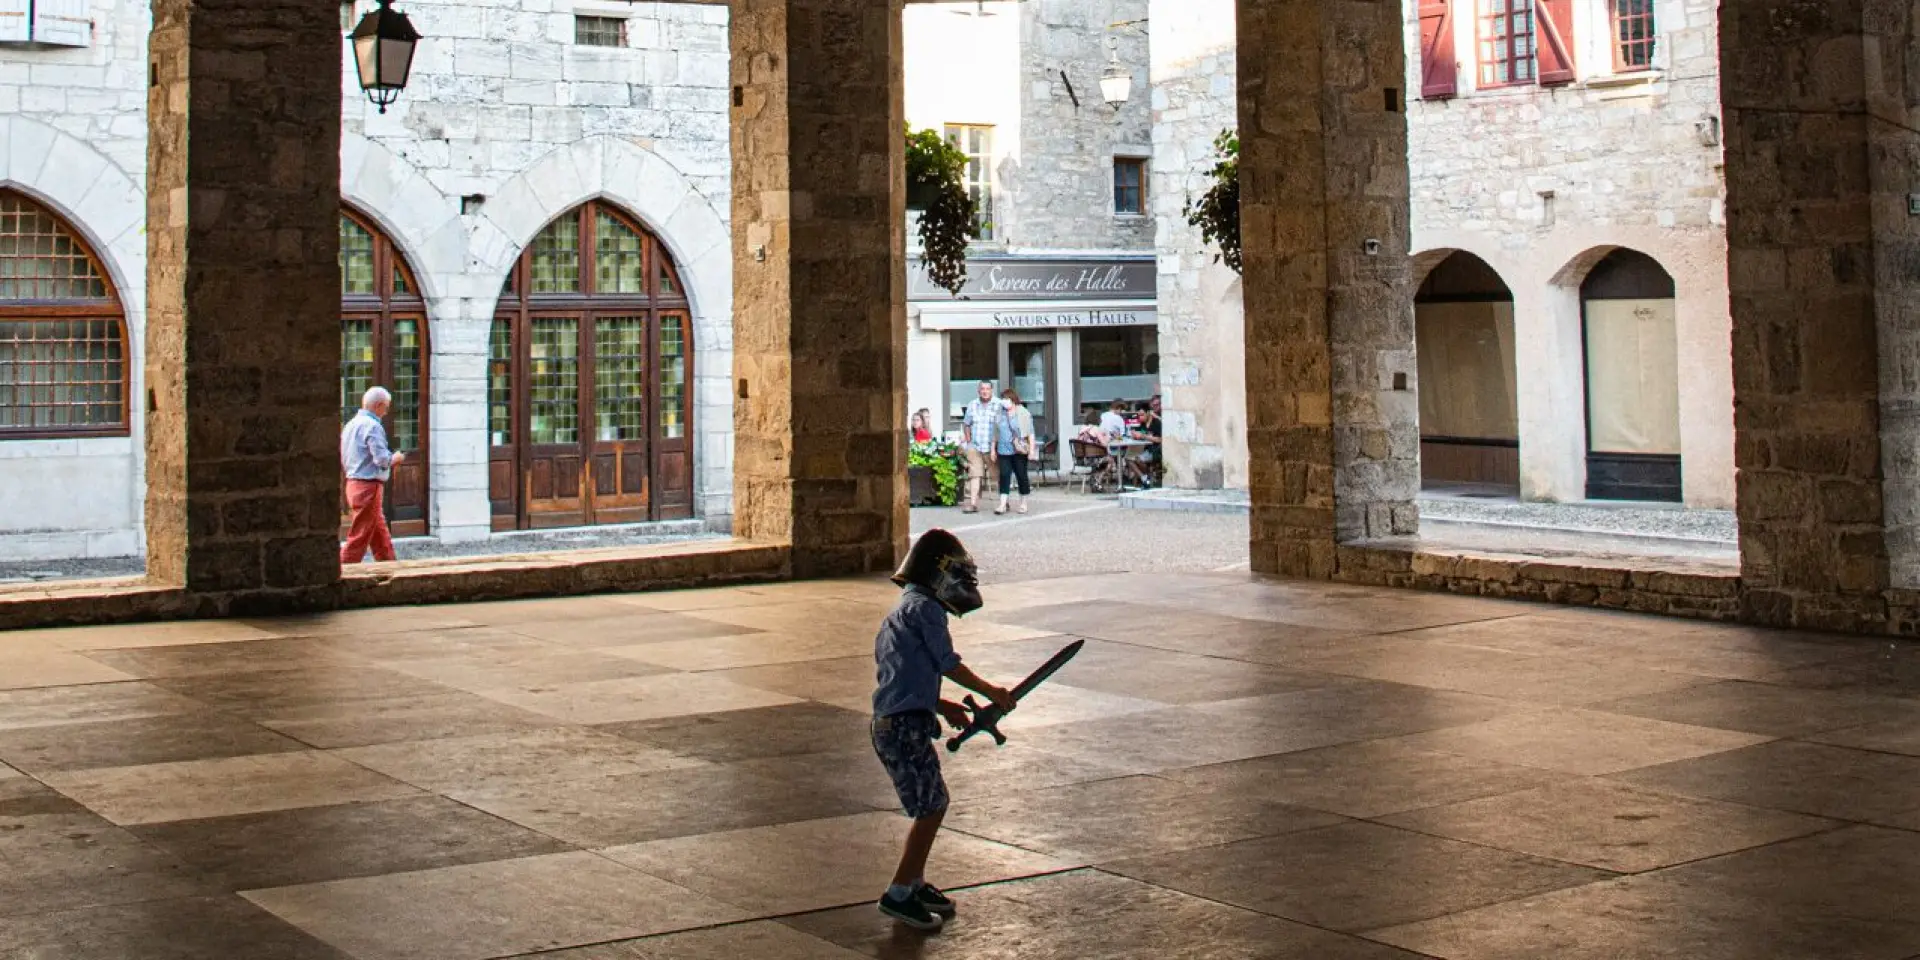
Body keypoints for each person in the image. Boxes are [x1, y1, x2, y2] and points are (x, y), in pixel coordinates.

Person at [871, 528, 1016, 931]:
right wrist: (992, 691)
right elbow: (946, 662)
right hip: (903, 728)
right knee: (931, 807)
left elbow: (905, 674)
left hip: (894, 722)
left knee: (932, 803)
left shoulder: (903, 609)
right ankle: (899, 891)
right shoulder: (928, 611)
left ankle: (915, 881)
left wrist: (940, 704)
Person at [340, 386, 404, 564]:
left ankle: (390, 566)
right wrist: (396, 458)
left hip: (353, 483)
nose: (386, 411)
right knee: (359, 537)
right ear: (378, 405)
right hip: (368, 486)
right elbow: (382, 460)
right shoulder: (373, 426)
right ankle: (343, 572)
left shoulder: (350, 425)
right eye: (386, 407)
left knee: (379, 534)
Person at [960, 381, 1000, 514]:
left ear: (992, 390)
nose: (985, 391)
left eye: (987, 389)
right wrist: (968, 439)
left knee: (997, 475)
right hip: (975, 446)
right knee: (974, 474)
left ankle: (1003, 503)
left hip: (992, 446)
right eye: (982, 389)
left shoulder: (998, 405)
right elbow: (966, 424)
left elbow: (1002, 426)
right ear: (978, 391)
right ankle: (973, 504)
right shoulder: (972, 405)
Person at [994, 388, 1035, 515]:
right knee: (1004, 475)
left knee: (1021, 475)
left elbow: (1030, 433)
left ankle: (1023, 503)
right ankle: (1002, 504)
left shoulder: (1023, 413)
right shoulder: (1000, 413)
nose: (1004, 402)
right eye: (1003, 399)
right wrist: (992, 449)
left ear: (1013, 399)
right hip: (1003, 449)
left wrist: (1031, 450)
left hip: (1019, 450)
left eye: (1007, 399)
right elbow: (995, 433)